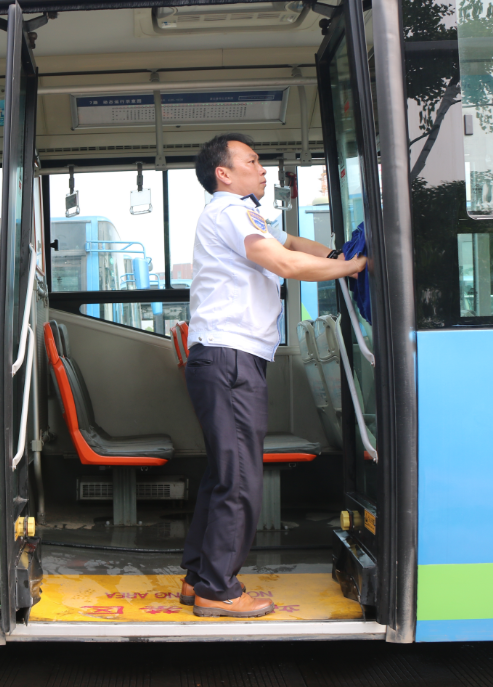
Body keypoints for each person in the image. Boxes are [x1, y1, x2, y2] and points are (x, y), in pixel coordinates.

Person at [180, 133, 366, 618]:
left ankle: (198, 576)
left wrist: (334, 256)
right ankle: (217, 591)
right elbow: (281, 261)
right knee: (239, 477)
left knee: (225, 473)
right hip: (231, 358)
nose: (262, 170)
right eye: (252, 161)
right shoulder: (229, 210)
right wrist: (351, 268)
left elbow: (292, 242)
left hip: (224, 358)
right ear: (224, 173)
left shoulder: (247, 214)